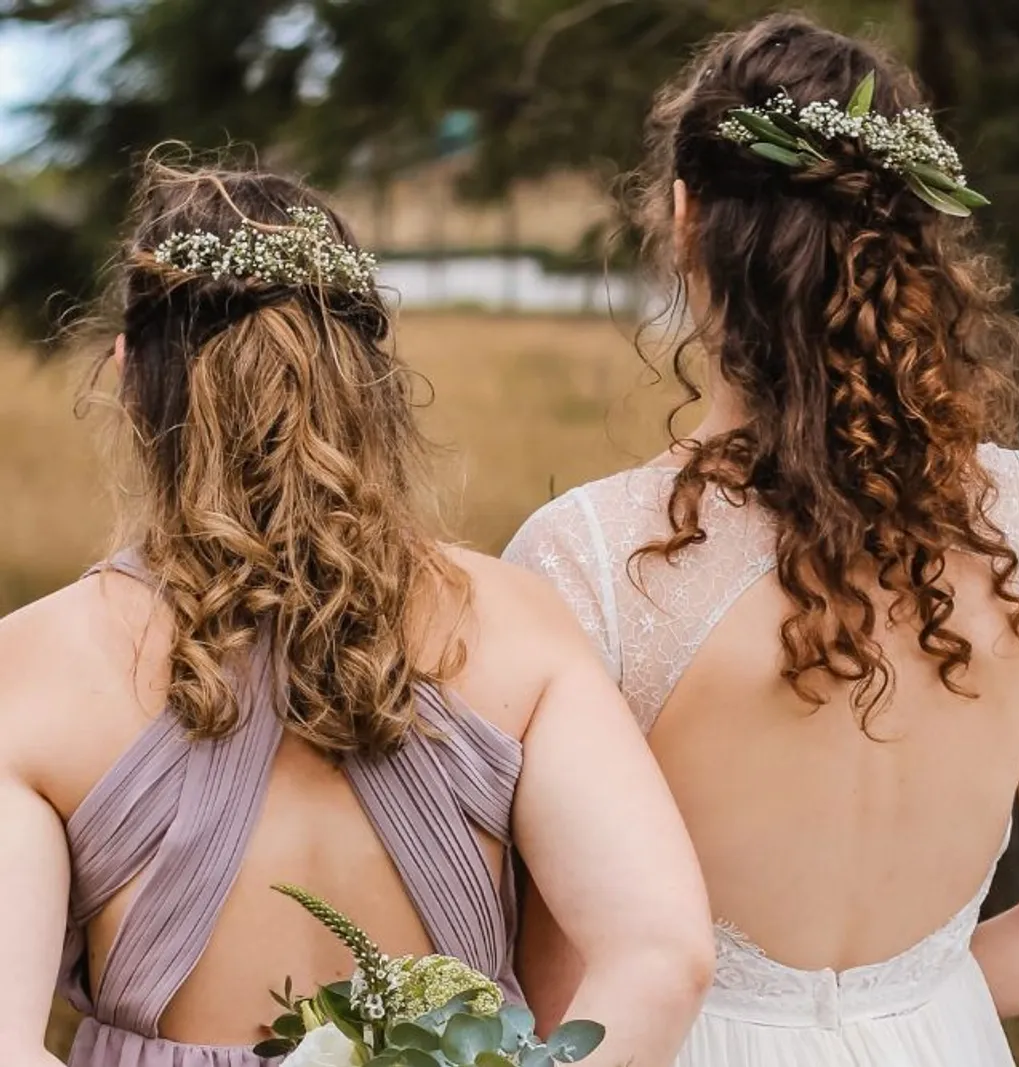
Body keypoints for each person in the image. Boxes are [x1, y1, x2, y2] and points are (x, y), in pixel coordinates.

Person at [502, 14, 1019, 1067]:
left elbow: (548, 984)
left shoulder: (591, 555)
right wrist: (900, 1009)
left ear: (684, 220)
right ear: (910, 238)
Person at [0, 159, 713, 1067]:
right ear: (368, 378)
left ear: (130, 375)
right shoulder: (516, 626)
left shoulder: (29, 666)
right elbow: (665, 953)